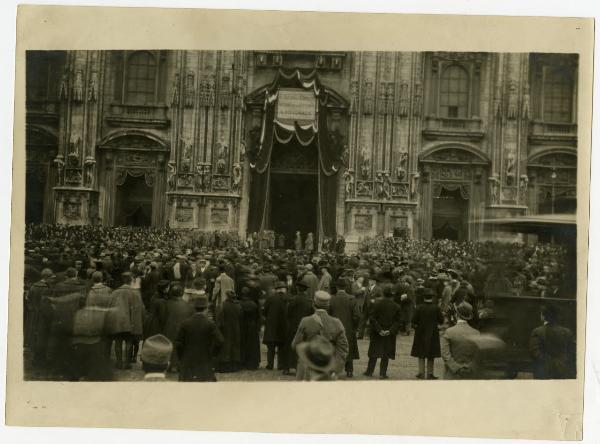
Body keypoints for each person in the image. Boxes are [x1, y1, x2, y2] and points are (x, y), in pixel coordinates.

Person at [291, 291, 349, 381]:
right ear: (328, 306)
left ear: (313, 304)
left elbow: (295, 345)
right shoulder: (337, 323)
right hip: (328, 368)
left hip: (307, 369)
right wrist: (336, 369)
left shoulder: (305, 321)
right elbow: (343, 349)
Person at [176, 295, 224, 382]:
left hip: (188, 360)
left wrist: (182, 356)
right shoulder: (210, 324)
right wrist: (213, 354)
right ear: (206, 309)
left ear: (194, 308)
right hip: (205, 361)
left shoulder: (185, 323)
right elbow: (220, 341)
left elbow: (178, 343)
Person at [364, 285, 401, 379]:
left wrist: (379, 329)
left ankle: (369, 371)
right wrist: (390, 330)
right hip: (389, 333)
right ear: (392, 295)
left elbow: (372, 318)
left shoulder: (376, 304)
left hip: (377, 332)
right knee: (386, 353)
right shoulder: (396, 306)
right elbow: (398, 321)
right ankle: (382, 373)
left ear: (383, 294)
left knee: (374, 352)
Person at [529, 305, 575, 379]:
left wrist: (547, 363)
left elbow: (534, 352)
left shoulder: (537, 331)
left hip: (544, 371)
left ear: (543, 317)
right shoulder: (567, 332)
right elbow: (572, 352)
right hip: (563, 371)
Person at [440, 302, 481, 379]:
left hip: (452, 374)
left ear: (457, 315)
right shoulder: (476, 333)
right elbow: (479, 355)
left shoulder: (449, 332)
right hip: (470, 374)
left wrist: (456, 367)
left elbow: (445, 354)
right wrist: (469, 366)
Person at [329, 278, 360, 378]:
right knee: (348, 348)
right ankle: (349, 370)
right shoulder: (352, 298)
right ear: (346, 287)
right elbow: (357, 316)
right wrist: (354, 327)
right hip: (348, 328)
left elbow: (327, 314)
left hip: (334, 328)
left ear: (337, 287)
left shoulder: (331, 299)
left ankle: (333, 370)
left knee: (334, 348)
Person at [410, 288, 444, 379]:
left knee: (421, 352)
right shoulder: (436, 308)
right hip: (433, 332)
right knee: (431, 353)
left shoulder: (419, 307)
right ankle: (430, 373)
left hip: (420, 332)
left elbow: (413, 320)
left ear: (423, 297)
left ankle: (421, 372)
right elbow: (441, 320)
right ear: (432, 298)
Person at [284, 276, 314, 373]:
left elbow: (288, 313)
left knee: (290, 345)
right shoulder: (309, 301)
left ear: (298, 288)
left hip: (293, 326)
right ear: (305, 289)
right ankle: (300, 367)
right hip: (305, 327)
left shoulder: (293, 299)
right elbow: (312, 314)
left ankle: (287, 367)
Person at [163, 283, 194, 372]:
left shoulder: (166, 303)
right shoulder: (187, 305)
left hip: (169, 328)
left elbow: (163, 317)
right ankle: (179, 365)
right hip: (182, 329)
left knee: (170, 346)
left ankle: (171, 365)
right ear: (182, 293)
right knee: (181, 347)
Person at [262, 281, 289, 371]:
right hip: (283, 326)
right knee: (281, 346)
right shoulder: (288, 298)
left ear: (276, 289)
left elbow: (265, 311)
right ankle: (280, 365)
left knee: (271, 347)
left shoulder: (270, 298)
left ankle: (270, 365)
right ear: (284, 289)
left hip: (271, 326)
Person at [216, 290, 243, 372]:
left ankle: (225, 367)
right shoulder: (238, 306)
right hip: (236, 328)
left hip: (226, 329)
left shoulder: (222, 305)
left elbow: (219, 318)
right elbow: (241, 318)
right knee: (235, 346)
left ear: (227, 296)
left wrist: (219, 328)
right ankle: (235, 366)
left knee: (226, 347)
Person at [239, 287, 261, 370]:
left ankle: (243, 362)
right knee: (253, 344)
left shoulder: (239, 304)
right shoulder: (253, 304)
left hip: (243, 325)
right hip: (252, 325)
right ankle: (253, 363)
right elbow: (258, 316)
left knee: (243, 344)